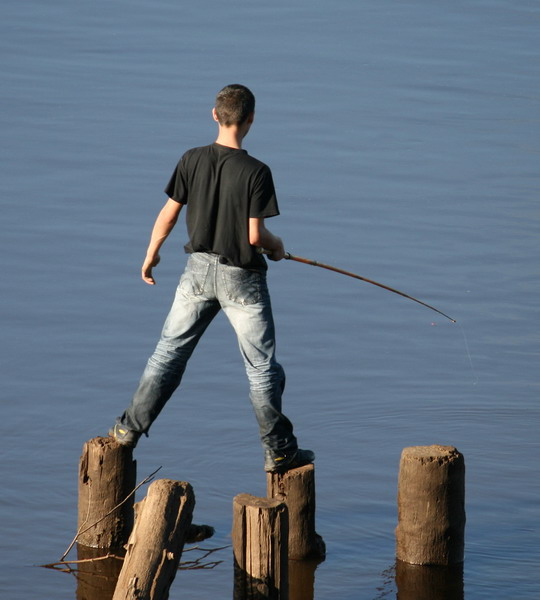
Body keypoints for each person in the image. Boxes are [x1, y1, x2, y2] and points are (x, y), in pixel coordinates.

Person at [109, 84, 314, 473]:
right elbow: (255, 236)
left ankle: (126, 431)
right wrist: (277, 245)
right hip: (243, 280)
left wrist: (152, 253)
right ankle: (280, 451)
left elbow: (169, 213)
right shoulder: (257, 172)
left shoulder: (192, 159)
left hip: (197, 273)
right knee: (261, 368)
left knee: (168, 354)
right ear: (251, 119)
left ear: (214, 114)